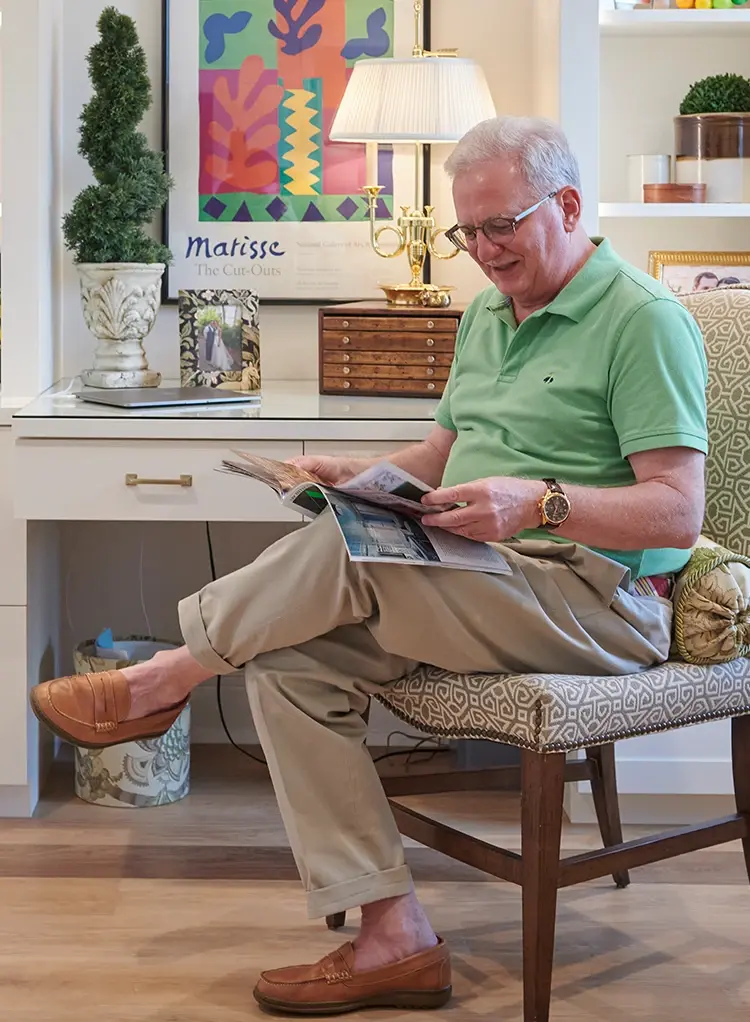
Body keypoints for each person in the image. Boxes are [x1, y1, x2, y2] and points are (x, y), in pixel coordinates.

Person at [30, 115, 708, 1015]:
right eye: (469, 232)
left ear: (569, 205)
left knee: (358, 562)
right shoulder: (487, 316)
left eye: (501, 226)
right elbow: (441, 456)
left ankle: (164, 677)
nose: (484, 251)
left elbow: (677, 507)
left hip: (600, 600)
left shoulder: (643, 321)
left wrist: (537, 500)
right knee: (288, 664)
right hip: (484, 580)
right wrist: (358, 477)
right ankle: (396, 937)